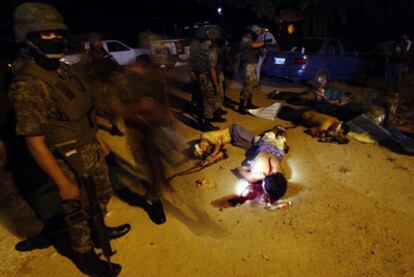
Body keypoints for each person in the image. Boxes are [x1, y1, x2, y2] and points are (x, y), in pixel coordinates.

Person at [9, 3, 129, 276]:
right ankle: (85, 255)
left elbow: (80, 112)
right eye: (46, 34)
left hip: (89, 149)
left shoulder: (62, 70)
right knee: (76, 212)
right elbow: (34, 141)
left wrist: (97, 138)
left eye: (58, 33)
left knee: (101, 196)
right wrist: (62, 182)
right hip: (67, 160)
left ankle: (99, 231)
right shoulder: (29, 84)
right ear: (29, 38)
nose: (56, 39)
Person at [192, 124, 288, 205]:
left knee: (279, 138)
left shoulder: (280, 174)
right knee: (271, 136)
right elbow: (238, 169)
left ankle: (280, 130)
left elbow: (240, 169)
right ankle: (278, 129)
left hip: (277, 150)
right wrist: (247, 171)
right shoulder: (255, 176)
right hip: (266, 145)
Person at [192, 25, 227, 131]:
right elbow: (212, 69)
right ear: (211, 39)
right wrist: (216, 85)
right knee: (208, 102)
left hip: (199, 77)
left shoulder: (197, 49)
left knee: (200, 100)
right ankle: (206, 125)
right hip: (207, 79)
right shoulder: (210, 51)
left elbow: (193, 63)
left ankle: (200, 121)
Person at [238, 25, 267, 114]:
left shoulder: (252, 39)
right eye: (256, 34)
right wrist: (264, 43)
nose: (257, 35)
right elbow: (254, 45)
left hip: (252, 64)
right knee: (247, 84)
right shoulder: (245, 39)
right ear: (251, 33)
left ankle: (249, 103)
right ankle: (241, 106)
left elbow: (257, 46)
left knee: (252, 84)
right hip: (247, 65)